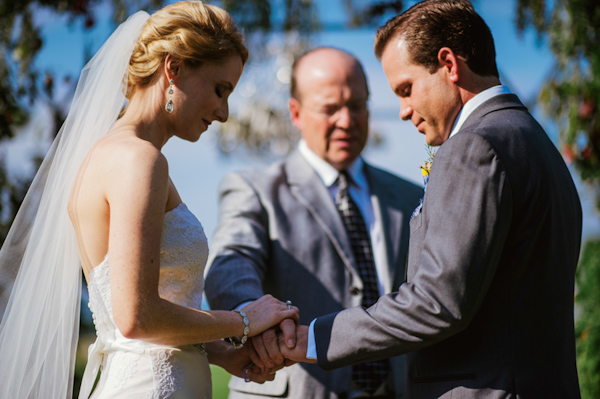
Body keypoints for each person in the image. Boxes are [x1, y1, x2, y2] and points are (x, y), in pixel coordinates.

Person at [276, 1, 583, 398]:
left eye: (406, 89)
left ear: (449, 65)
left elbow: (438, 301)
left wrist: (313, 338)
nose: (403, 111)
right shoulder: (534, 140)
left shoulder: (473, 147)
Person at [0, 2, 299, 398]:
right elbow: (136, 317)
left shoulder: (114, 154)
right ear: (173, 68)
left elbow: (137, 316)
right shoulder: (139, 161)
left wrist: (222, 354)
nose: (224, 113)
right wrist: (243, 320)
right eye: (219, 90)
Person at [204, 47, 422, 399]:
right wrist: (253, 319)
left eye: (357, 106)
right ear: (296, 112)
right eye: (330, 108)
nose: (346, 121)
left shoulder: (409, 195)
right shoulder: (255, 189)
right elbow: (232, 261)